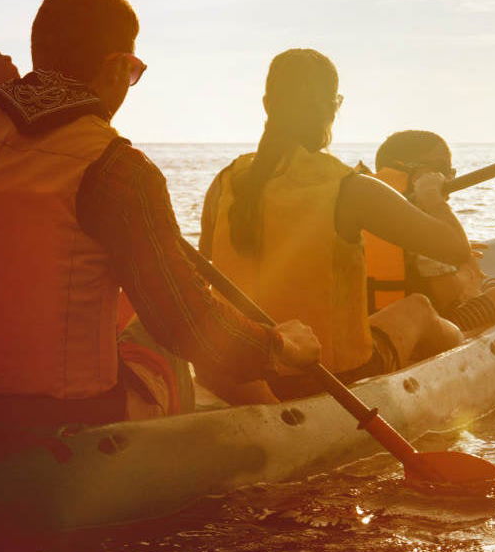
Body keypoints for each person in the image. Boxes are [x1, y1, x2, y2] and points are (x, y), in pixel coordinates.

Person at [0, 0, 320, 427]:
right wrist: (276, 348)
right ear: (115, 66)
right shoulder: (116, 167)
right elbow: (185, 322)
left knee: (124, 293)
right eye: (133, 72)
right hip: (60, 421)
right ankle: (284, 429)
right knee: (152, 324)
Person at [199, 48, 473, 403]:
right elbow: (455, 249)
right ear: (333, 107)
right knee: (419, 308)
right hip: (328, 377)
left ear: (268, 104)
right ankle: (470, 353)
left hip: (243, 373)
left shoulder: (225, 182)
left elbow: (208, 258)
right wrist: (433, 197)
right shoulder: (349, 187)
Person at [364, 131, 495, 333]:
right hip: (416, 328)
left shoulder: (364, 203)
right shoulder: (420, 220)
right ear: (409, 172)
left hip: (367, 321)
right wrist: (467, 276)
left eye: (449, 171)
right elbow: (446, 294)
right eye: (439, 169)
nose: (446, 178)